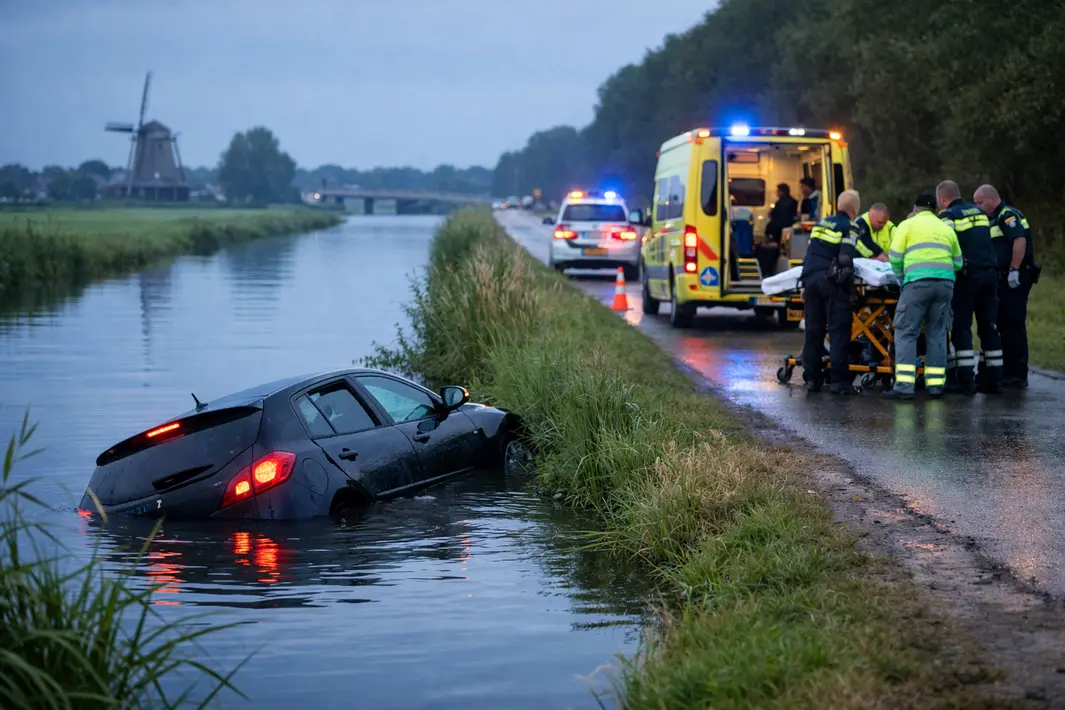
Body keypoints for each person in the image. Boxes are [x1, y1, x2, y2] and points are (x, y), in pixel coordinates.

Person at [882, 194, 962, 400]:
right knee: (937, 333)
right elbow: (958, 262)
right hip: (945, 285)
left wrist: (902, 278)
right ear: (935, 210)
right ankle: (935, 386)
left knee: (906, 332)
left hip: (917, 284)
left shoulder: (907, 226)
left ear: (915, 208)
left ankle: (904, 386)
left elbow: (895, 257)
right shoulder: (946, 228)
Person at [936, 180, 1003, 394]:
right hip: (991, 274)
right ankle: (994, 379)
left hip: (967, 276)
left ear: (943, 199)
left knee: (962, 327)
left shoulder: (948, 215)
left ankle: (965, 380)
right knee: (989, 327)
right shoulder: (979, 212)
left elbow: (945, 245)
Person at [974, 184, 1037, 389]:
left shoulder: (1007, 215)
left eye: (980, 202)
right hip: (1002, 277)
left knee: (1013, 324)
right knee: (1002, 323)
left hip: (1016, 277)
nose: (978, 206)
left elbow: (1019, 241)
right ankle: (1005, 372)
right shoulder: (993, 218)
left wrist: (1014, 269)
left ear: (993, 199)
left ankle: (1018, 375)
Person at [800, 189, 861, 394]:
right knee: (838, 331)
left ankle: (812, 378)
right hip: (831, 283)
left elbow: (810, 253)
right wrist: (850, 286)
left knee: (814, 331)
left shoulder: (821, 224)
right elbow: (845, 259)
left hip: (811, 280)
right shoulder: (850, 227)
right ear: (855, 209)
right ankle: (839, 382)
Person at [759, 183, 799, 276]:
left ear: (782, 191)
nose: (776, 193)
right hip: (786, 231)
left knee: (768, 252)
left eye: (778, 191)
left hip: (777, 231)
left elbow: (774, 216)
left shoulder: (781, 203)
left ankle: (767, 271)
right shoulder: (794, 202)